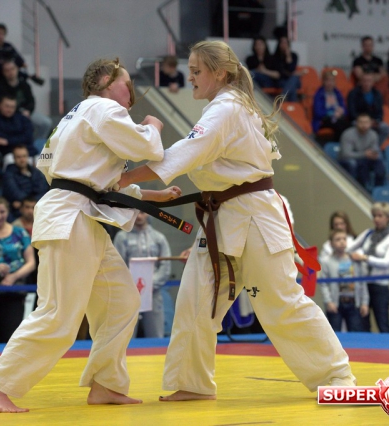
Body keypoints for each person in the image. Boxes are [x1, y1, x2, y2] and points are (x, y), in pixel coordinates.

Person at [118, 40, 356, 402]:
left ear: (219, 74)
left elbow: (183, 153)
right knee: (195, 298)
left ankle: (337, 376)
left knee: (280, 302)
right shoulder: (225, 107)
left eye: (197, 70)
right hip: (221, 217)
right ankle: (192, 382)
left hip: (254, 216)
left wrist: (121, 179)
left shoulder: (227, 108)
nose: (190, 76)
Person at [0, 57, 182, 412]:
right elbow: (149, 148)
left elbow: (89, 180)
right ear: (106, 80)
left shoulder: (73, 117)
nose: (131, 94)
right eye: (127, 84)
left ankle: (106, 383)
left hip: (80, 215)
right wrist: (153, 124)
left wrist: (152, 196)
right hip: (71, 217)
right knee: (59, 313)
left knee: (122, 301)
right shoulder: (102, 108)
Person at [0, 197, 35, 344]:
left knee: (11, 337)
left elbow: (31, 263)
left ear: (8, 212)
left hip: (14, 293)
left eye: (2, 212)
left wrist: (13, 277)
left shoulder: (20, 233)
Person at [114, 212, 171, 338]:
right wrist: (130, 285)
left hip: (153, 293)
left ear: (148, 214)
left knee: (156, 335)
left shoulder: (158, 238)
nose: (139, 216)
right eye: (136, 213)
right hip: (129, 294)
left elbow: (165, 266)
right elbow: (117, 265)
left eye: (142, 212)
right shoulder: (122, 237)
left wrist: (150, 284)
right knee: (125, 337)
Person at [348, 202, 389, 333]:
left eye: (380, 216)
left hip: (380, 286)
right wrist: (357, 255)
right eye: (374, 216)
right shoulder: (368, 234)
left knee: (382, 323)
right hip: (364, 283)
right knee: (363, 323)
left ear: (388, 218)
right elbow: (349, 249)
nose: (376, 219)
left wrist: (365, 258)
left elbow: (387, 262)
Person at [319, 230, 368, 332]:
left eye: (344, 239)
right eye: (338, 240)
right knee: (334, 333)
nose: (342, 242)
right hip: (336, 303)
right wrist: (328, 302)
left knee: (355, 333)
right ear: (331, 243)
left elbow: (362, 282)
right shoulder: (327, 261)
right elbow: (323, 284)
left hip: (353, 303)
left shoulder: (355, 260)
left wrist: (364, 302)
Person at [0, 59, 53, 140]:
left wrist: (28, 111)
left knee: (46, 123)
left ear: (17, 69)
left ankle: (37, 144)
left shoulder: (24, 85)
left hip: (27, 112)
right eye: (7, 70)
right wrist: (19, 113)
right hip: (11, 115)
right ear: (3, 72)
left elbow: (31, 101)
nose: (10, 72)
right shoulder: (0, 87)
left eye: (12, 69)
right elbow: (1, 105)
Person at [338, 113, 386, 188]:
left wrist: (374, 154)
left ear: (370, 123)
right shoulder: (348, 134)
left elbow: (374, 149)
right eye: (361, 122)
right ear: (356, 123)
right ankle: (355, 187)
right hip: (348, 160)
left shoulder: (373, 134)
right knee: (353, 163)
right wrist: (364, 154)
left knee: (379, 162)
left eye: (366, 122)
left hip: (365, 159)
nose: (364, 125)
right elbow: (345, 154)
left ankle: (379, 189)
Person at [1, 145, 49, 219]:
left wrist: (30, 203)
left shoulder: (35, 172)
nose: (22, 159)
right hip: (16, 211)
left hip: (36, 206)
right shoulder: (8, 174)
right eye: (19, 157)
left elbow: (43, 190)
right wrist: (27, 203)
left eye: (24, 156)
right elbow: (14, 192)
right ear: (14, 158)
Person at [347, 73, 389, 145]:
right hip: (358, 120)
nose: (367, 83)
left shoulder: (377, 94)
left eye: (369, 81)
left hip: (373, 121)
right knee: (358, 126)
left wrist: (377, 120)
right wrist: (365, 121)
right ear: (361, 82)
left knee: (386, 128)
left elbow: (380, 112)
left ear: (373, 82)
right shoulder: (353, 93)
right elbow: (352, 112)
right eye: (365, 81)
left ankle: (374, 146)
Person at [352, 36, 389, 105]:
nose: (368, 47)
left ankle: (385, 108)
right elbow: (360, 75)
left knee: (385, 82)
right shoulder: (357, 61)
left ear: (373, 46)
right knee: (367, 83)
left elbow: (383, 74)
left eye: (370, 45)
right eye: (366, 45)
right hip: (364, 84)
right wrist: (373, 77)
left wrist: (371, 78)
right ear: (362, 46)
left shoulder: (378, 60)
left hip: (378, 84)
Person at [312, 71, 349, 141]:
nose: (330, 83)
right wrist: (333, 113)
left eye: (332, 81)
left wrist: (342, 111)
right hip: (323, 120)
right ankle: (337, 145)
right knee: (338, 125)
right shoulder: (319, 94)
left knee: (348, 125)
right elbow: (318, 112)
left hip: (338, 118)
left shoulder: (337, 93)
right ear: (323, 82)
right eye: (327, 80)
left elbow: (344, 109)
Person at [273, 35, 300, 102]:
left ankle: (283, 96)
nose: (284, 45)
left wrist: (288, 56)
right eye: (282, 42)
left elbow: (291, 68)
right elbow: (279, 73)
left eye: (285, 43)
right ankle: (292, 106)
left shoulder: (294, 56)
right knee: (292, 87)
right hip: (281, 81)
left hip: (293, 80)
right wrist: (291, 74)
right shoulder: (275, 57)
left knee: (294, 78)